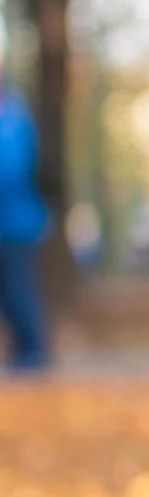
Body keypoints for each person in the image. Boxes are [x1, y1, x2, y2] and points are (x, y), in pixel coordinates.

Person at [0, 62, 51, 373]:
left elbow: (12, 168)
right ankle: (23, 353)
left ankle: (33, 354)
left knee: (20, 291)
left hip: (16, 224)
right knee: (9, 293)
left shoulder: (14, 118)